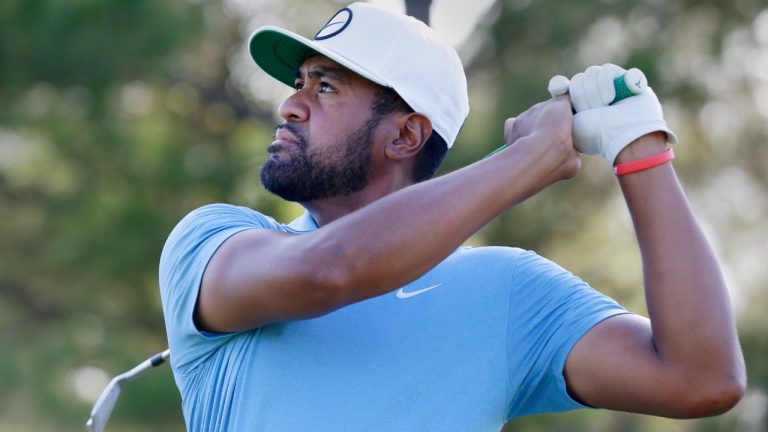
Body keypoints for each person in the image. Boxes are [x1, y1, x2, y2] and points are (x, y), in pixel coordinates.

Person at [159, 3, 746, 431]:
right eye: (299, 83)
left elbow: (702, 379)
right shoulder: (214, 242)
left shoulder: (509, 290)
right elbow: (330, 269)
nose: (290, 104)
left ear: (406, 134)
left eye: (327, 87)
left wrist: (640, 148)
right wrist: (531, 157)